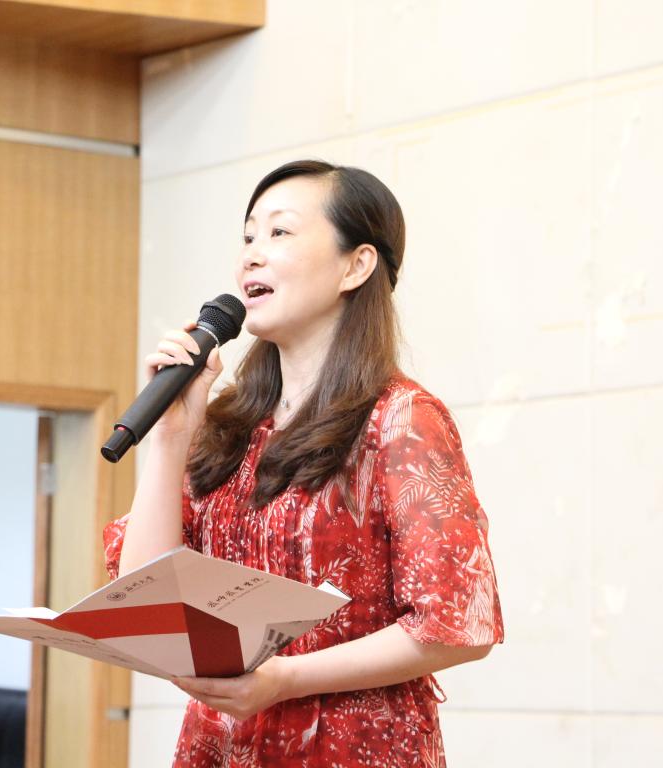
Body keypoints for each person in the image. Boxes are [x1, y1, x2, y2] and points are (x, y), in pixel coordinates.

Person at [104, 159, 503, 767]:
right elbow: (144, 596)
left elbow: (456, 624)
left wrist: (285, 679)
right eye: (247, 237)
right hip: (223, 745)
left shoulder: (400, 419)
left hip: (352, 746)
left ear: (356, 265)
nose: (251, 256)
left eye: (279, 232)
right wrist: (171, 438)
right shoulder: (229, 425)